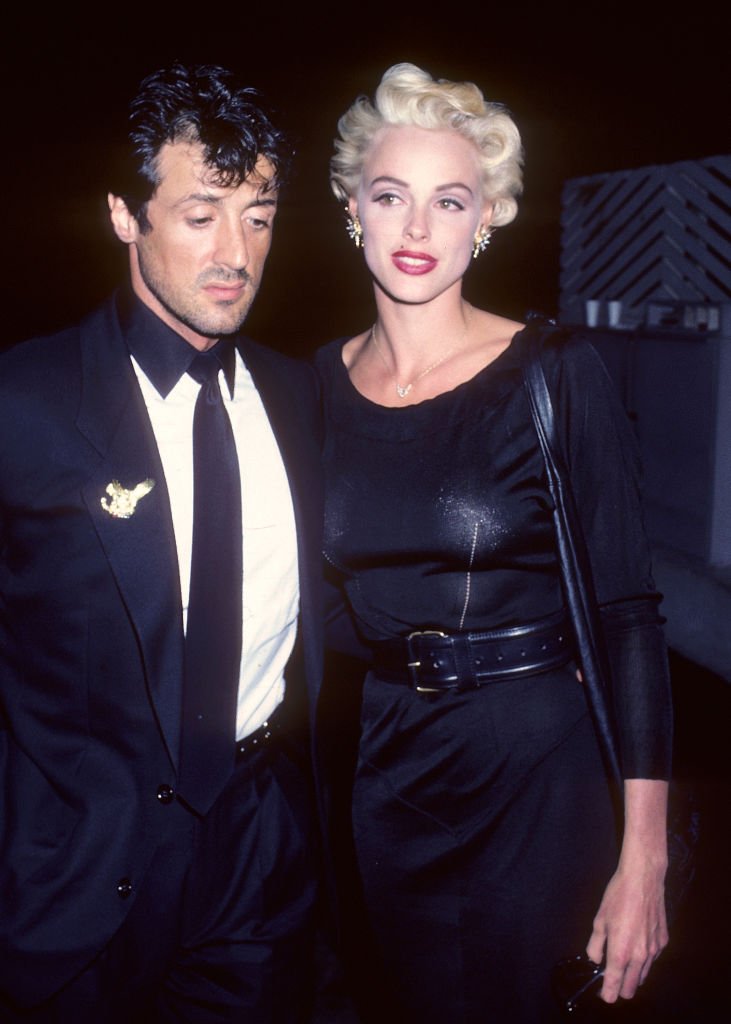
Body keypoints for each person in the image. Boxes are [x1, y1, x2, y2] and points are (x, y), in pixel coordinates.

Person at [316, 63, 672, 1023]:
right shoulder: (313, 386)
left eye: (449, 201)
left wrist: (645, 858)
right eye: (391, 197)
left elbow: (629, 618)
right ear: (354, 209)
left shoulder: (554, 372)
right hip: (390, 765)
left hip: (533, 771)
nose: (417, 229)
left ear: (488, 218)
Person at [0, 62, 323, 1023]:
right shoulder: (26, 403)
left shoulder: (299, 398)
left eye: (258, 215)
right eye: (200, 214)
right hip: (74, 880)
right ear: (123, 215)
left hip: (259, 862)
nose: (237, 251)